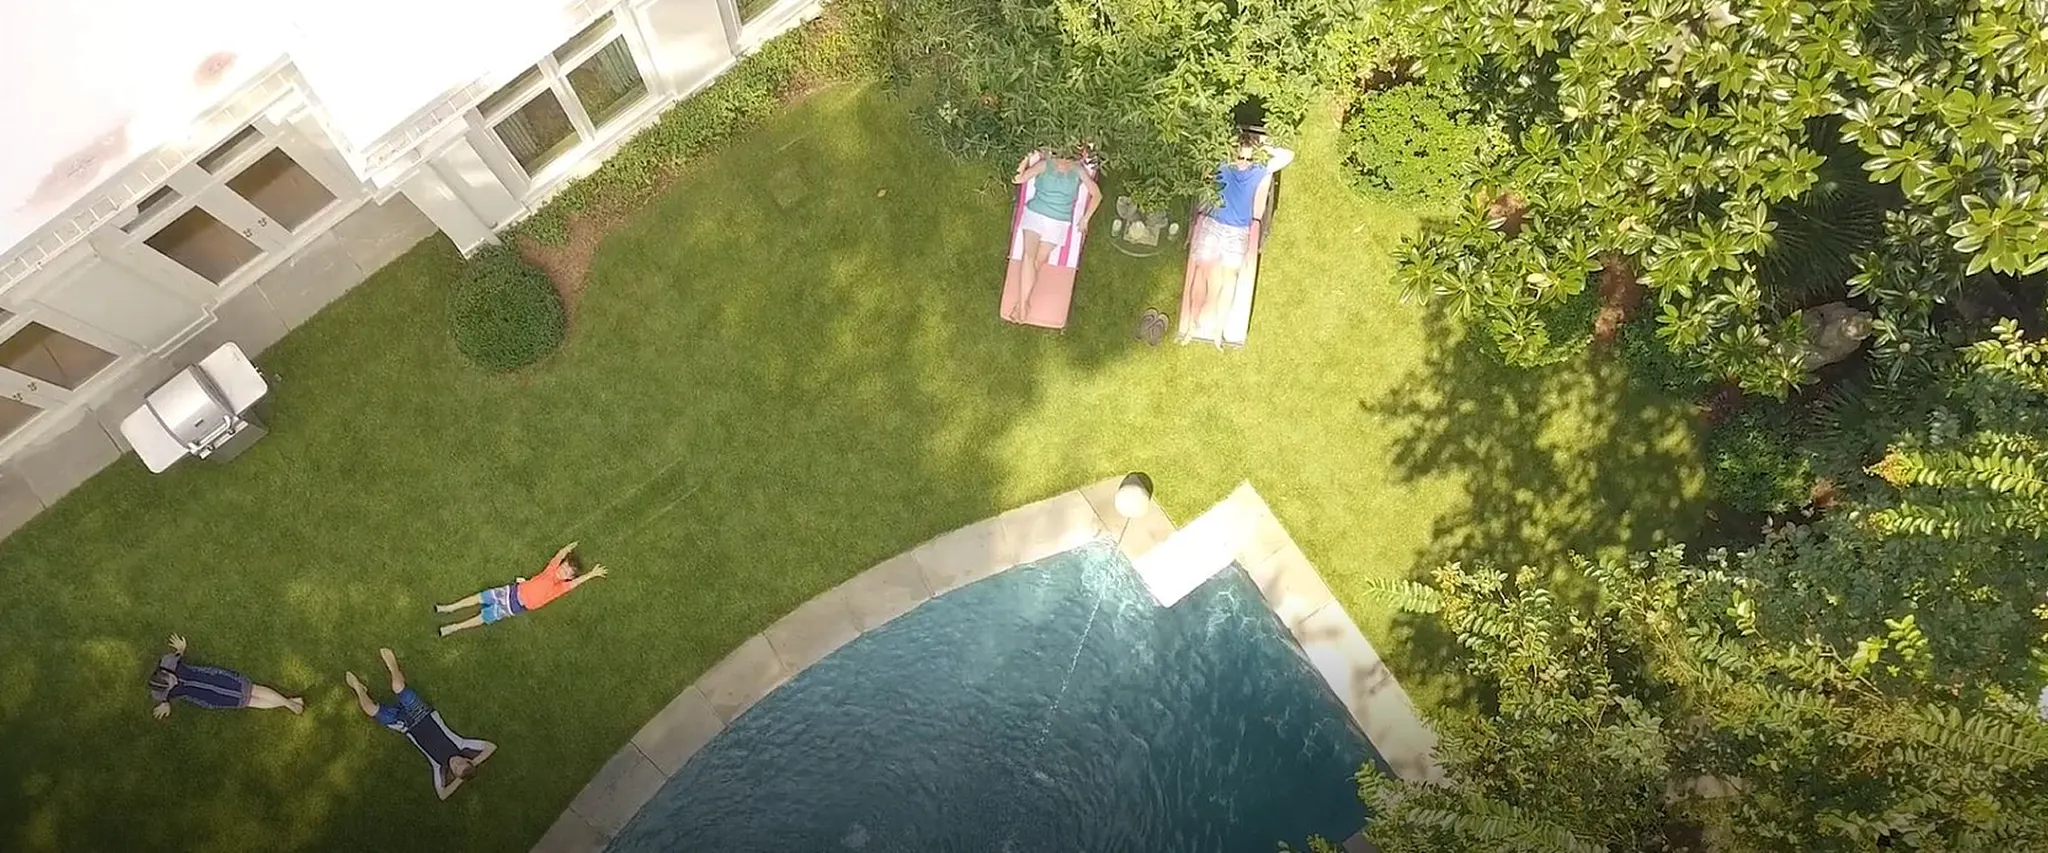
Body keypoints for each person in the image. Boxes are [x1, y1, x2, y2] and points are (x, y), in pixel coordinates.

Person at [1182, 132, 1295, 346]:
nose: (1243, 162)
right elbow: (1202, 144)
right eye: (1240, 157)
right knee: (1201, 271)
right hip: (1213, 223)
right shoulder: (1223, 164)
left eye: (1248, 158)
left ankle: (1218, 329)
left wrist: (1262, 145)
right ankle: (1191, 323)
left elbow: (1288, 155)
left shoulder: (1260, 168)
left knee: (1230, 278)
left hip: (1237, 231)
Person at [346, 648, 497, 800]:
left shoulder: (438, 766)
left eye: (456, 768)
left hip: (405, 725)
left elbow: (442, 795)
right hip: (422, 713)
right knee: (397, 686)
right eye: (461, 762)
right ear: (466, 759)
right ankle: (393, 667)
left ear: (453, 773)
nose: (455, 763)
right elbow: (491, 747)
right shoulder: (461, 745)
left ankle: (359, 689)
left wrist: (459, 780)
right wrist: (474, 763)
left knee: (369, 709)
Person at [434, 542, 608, 637]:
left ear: (569, 577)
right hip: (510, 592)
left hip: (513, 607)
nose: (563, 571)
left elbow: (574, 584)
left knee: (483, 618)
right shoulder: (550, 571)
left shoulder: (559, 587)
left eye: (567, 573)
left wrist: (591, 575)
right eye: (564, 567)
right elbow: (558, 557)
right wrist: (567, 549)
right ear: (560, 565)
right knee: (479, 598)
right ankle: (449, 608)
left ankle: (453, 627)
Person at [1009, 147, 1102, 321]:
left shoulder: (1078, 170)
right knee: (1029, 256)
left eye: (1068, 158)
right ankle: (1022, 306)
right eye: (1060, 156)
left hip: (1059, 222)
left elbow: (1097, 194)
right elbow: (1018, 178)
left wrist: (1085, 219)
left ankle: (1023, 303)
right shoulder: (1045, 165)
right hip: (1035, 214)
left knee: (1037, 262)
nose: (1063, 162)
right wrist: (1025, 158)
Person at [147, 633, 303, 719]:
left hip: (215, 678)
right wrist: (165, 704)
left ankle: (290, 704)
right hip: (209, 697)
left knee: (253, 690)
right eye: (171, 686)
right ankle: (290, 703)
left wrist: (181, 648)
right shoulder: (159, 693)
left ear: (165, 672)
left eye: (172, 679)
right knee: (249, 701)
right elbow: (164, 700)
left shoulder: (168, 662)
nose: (175, 683)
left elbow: (179, 654)